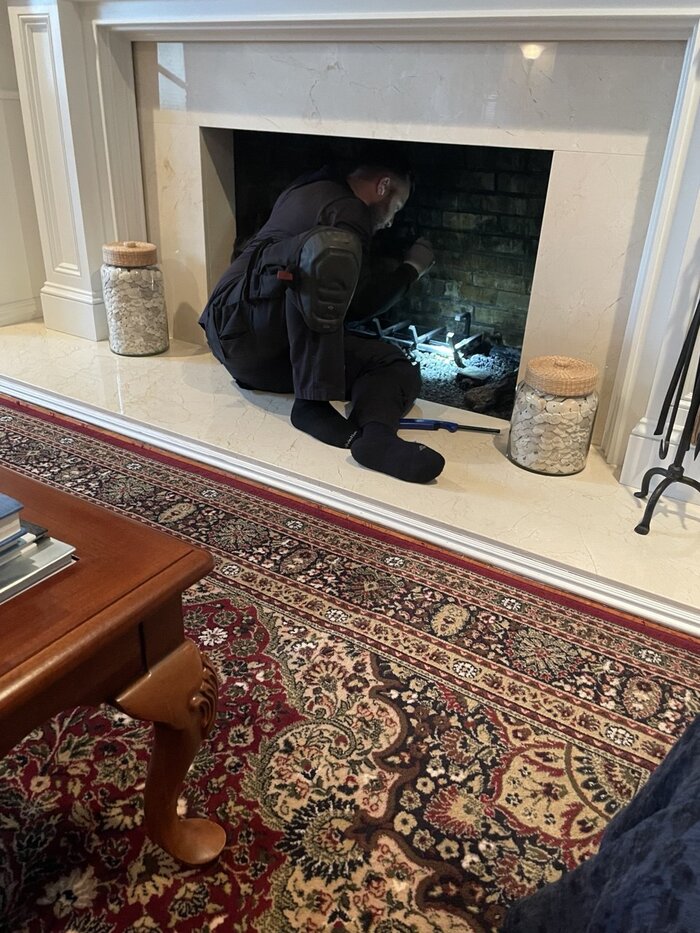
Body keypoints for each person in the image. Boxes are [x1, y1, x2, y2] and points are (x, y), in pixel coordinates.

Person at [199, 162, 444, 483]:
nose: (390, 221)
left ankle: (358, 426)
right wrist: (411, 268)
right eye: (396, 207)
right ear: (382, 186)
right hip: (256, 345)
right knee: (330, 256)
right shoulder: (348, 212)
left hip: (229, 334)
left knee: (384, 359)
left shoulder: (306, 185)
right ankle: (329, 413)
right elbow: (357, 305)